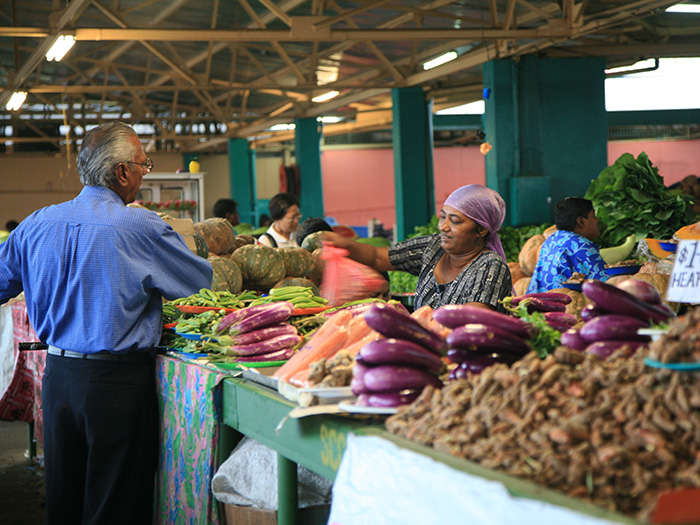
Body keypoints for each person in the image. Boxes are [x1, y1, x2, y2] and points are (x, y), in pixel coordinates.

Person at [0, 122, 213, 524]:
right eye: (143, 164)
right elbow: (198, 283)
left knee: (64, 500)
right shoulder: (141, 227)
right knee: (115, 506)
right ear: (121, 172)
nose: (144, 172)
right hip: (117, 388)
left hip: (58, 379)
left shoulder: (36, 223)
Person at [324, 184, 512, 311]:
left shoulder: (490, 266)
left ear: (480, 230)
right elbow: (377, 257)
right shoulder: (433, 247)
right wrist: (345, 244)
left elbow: (470, 322)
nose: (443, 226)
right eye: (442, 216)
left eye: (455, 221)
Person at [527, 197, 608, 293]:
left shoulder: (549, 242)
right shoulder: (582, 246)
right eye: (594, 216)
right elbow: (607, 285)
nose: (598, 220)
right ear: (581, 221)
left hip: (538, 304)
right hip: (566, 306)